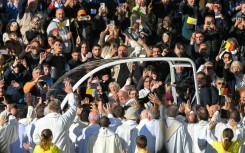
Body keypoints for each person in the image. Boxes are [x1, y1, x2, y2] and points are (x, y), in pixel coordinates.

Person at [33, 81, 77, 153]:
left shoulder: (39, 122)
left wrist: (46, 145)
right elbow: (73, 108)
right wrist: (70, 93)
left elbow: (35, 139)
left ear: (49, 108)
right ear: (59, 109)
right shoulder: (64, 120)